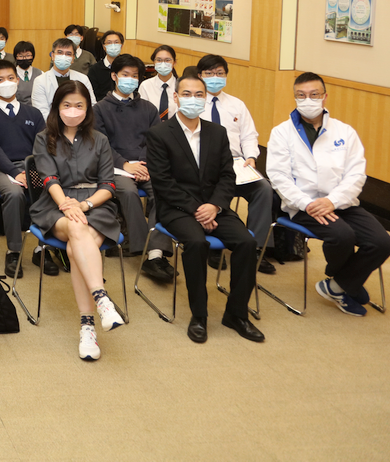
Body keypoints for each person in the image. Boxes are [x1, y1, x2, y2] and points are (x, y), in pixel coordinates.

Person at [145, 74, 264, 344]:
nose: (193, 99)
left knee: (247, 242)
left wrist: (215, 206)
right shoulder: (159, 134)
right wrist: (199, 210)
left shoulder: (217, 133)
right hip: (177, 208)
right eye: (186, 94)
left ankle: (236, 314)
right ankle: (199, 315)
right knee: (197, 242)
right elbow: (163, 182)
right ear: (176, 97)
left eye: (199, 94)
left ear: (206, 98)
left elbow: (226, 176)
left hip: (215, 206)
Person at [267, 72, 390, 317]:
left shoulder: (345, 131)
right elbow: (279, 177)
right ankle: (347, 283)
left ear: (325, 97)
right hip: (303, 206)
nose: (308, 100)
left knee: (382, 243)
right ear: (294, 98)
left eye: (314, 95)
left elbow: (357, 175)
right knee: (342, 235)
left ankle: (338, 285)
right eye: (301, 95)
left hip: (342, 202)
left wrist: (332, 201)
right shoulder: (281, 133)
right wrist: (309, 203)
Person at [30, 80, 126, 361]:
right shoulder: (43, 137)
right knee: (75, 227)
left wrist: (83, 205)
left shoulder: (100, 140)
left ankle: (88, 324)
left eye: (79, 105)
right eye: (67, 105)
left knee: (77, 247)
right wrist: (66, 205)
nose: (73, 111)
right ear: (57, 107)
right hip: (54, 204)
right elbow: (48, 178)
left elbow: (108, 185)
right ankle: (101, 299)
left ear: (88, 108)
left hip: (95, 205)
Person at [92, 55, 176, 283]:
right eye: (125, 75)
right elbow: (101, 144)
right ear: (114, 76)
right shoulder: (99, 109)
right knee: (128, 192)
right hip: (115, 167)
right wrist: (126, 164)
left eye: (135, 76)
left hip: (145, 165)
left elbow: (156, 140)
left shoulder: (148, 108)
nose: (130, 80)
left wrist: (143, 163)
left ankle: (156, 252)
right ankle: (145, 250)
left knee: (163, 190)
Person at [195, 54, 276, 274]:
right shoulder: (194, 104)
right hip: (205, 165)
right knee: (211, 190)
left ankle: (258, 247)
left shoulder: (236, 104)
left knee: (264, 189)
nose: (215, 78)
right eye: (209, 73)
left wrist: (251, 157)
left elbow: (249, 136)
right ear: (200, 75)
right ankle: (214, 243)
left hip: (236, 163)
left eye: (220, 74)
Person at [0, 59, 46, 279]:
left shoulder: (33, 114)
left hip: (32, 166)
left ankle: (42, 248)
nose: (7, 83)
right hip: (1, 169)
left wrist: (32, 171)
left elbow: (43, 147)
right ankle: (13, 251)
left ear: (18, 80)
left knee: (53, 189)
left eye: (11, 78)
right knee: (14, 194)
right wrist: (16, 174)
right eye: (0, 80)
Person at [31, 37, 96, 114]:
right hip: (51, 124)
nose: (63, 56)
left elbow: (91, 106)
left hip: (80, 123)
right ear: (52, 56)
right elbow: (41, 111)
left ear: (73, 58)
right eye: (59, 52)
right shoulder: (40, 81)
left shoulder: (83, 79)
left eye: (68, 54)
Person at [138, 45, 177, 120]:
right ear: (154, 62)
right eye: (159, 60)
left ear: (174, 62)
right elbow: (142, 113)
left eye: (167, 60)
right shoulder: (146, 85)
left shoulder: (181, 86)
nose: (163, 63)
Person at [87, 30, 124, 102]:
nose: (113, 45)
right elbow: (93, 95)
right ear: (104, 47)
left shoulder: (128, 66)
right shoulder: (95, 69)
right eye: (109, 42)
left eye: (116, 42)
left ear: (121, 46)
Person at [12, 41, 44, 107]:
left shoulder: (40, 74)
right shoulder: (11, 75)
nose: (24, 58)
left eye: (27, 55)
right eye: (20, 56)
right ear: (15, 57)